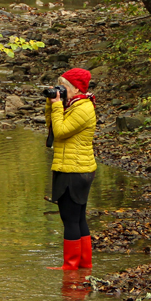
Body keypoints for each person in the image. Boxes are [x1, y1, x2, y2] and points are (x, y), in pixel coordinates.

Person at [44, 67, 97, 270]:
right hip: (77, 168)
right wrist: (52, 104)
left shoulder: (82, 108)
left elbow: (60, 131)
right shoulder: (75, 104)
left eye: (64, 86)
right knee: (78, 217)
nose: (61, 90)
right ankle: (84, 264)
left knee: (70, 219)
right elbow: (51, 125)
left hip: (73, 170)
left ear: (76, 88)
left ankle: (70, 266)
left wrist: (58, 105)